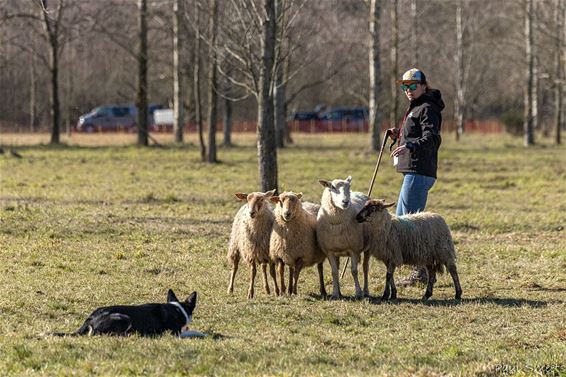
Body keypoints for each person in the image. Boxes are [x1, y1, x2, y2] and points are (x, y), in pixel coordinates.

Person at [389, 68, 445, 286]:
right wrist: (399, 135)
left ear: (423, 86)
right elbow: (416, 133)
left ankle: (421, 271)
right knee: (403, 219)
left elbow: (431, 137)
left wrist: (410, 145)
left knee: (408, 223)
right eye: (405, 86)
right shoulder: (416, 107)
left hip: (419, 170)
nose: (409, 90)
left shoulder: (428, 107)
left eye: (413, 86)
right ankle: (420, 269)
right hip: (413, 171)